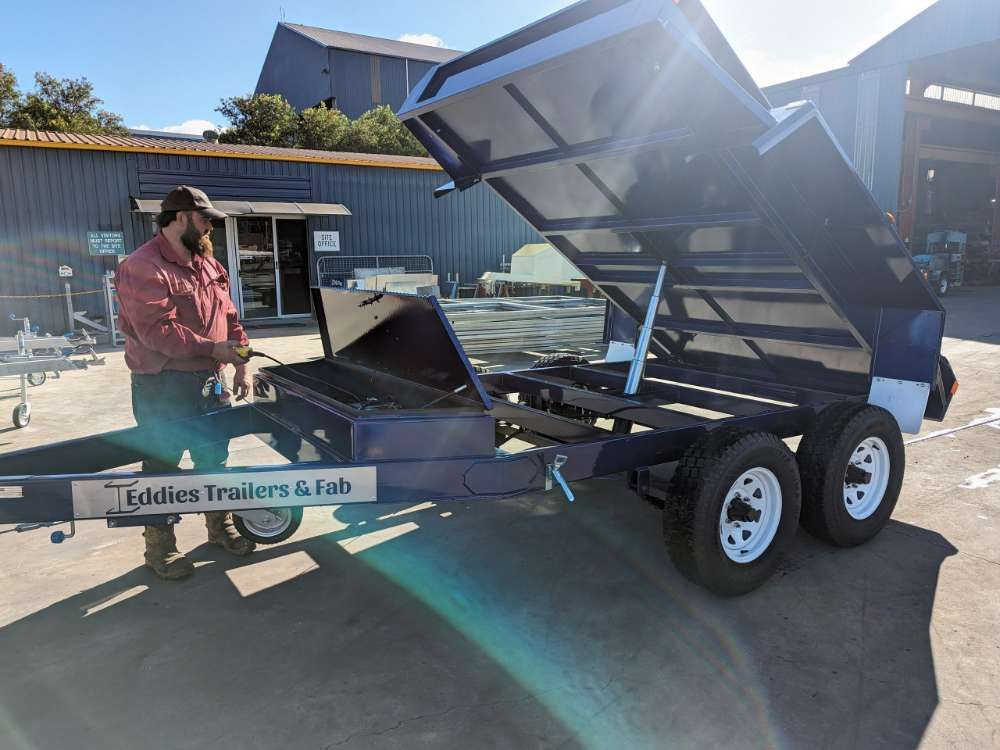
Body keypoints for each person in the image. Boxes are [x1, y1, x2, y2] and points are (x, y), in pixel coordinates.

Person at [115, 185, 255, 580]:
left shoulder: (207, 263)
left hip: (209, 379)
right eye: (205, 218)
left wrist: (241, 361)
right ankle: (160, 548)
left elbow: (230, 317)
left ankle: (219, 526)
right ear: (179, 217)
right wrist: (216, 350)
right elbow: (156, 333)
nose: (211, 226)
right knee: (162, 465)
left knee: (214, 456)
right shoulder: (142, 267)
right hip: (162, 385)